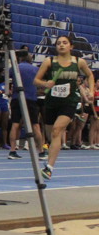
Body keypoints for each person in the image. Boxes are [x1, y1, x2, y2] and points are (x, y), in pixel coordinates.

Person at [34, 36, 94, 180]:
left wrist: (91, 91)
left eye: (65, 43)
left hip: (69, 103)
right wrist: (45, 84)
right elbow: (36, 80)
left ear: (71, 46)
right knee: (51, 135)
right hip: (51, 103)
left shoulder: (79, 62)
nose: (61, 45)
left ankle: (49, 167)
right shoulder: (49, 62)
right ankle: (51, 151)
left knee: (57, 131)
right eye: (58, 43)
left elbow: (90, 75)